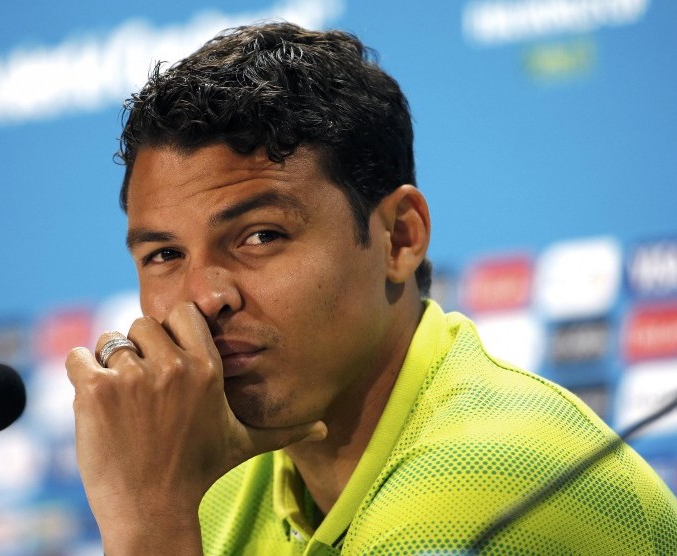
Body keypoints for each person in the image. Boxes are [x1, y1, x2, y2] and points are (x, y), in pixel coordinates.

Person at [66, 22, 677, 555]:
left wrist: (148, 520)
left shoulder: (490, 476)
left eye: (260, 237)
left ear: (399, 238)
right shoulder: (222, 489)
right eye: (165, 254)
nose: (203, 297)